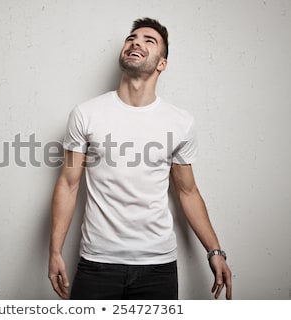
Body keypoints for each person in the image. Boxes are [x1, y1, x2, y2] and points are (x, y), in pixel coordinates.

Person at [48, 17, 232, 300]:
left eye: (150, 41)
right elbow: (68, 185)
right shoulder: (86, 114)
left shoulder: (180, 122)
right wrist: (55, 251)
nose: (136, 42)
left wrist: (215, 250)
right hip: (98, 263)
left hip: (158, 266)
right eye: (132, 38)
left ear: (162, 63)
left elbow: (187, 191)